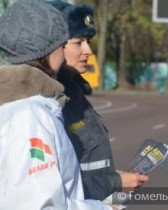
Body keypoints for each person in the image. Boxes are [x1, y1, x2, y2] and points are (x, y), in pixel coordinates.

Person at [0, 0, 111, 209]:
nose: (64, 51)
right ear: (48, 49)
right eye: (63, 44)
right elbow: (41, 205)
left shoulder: (28, 108)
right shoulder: (29, 116)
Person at [47, 0, 149, 201]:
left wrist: (112, 181)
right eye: (78, 43)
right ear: (54, 46)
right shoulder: (49, 103)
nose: (88, 51)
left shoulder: (75, 96)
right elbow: (52, 189)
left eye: (89, 42)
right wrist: (114, 182)